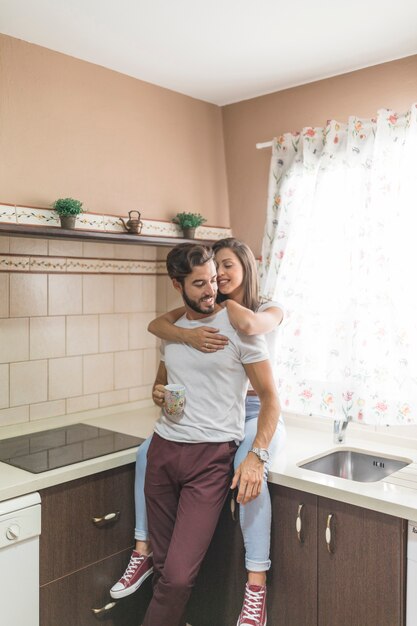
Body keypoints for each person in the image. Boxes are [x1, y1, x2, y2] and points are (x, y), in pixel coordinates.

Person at [110, 239, 284, 626]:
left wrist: (257, 452)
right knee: (164, 568)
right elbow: (160, 383)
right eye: (199, 284)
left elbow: (271, 399)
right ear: (177, 285)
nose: (211, 291)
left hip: (209, 460)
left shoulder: (240, 329)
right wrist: (158, 392)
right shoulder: (171, 330)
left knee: (177, 577)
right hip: (163, 455)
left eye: (212, 281)